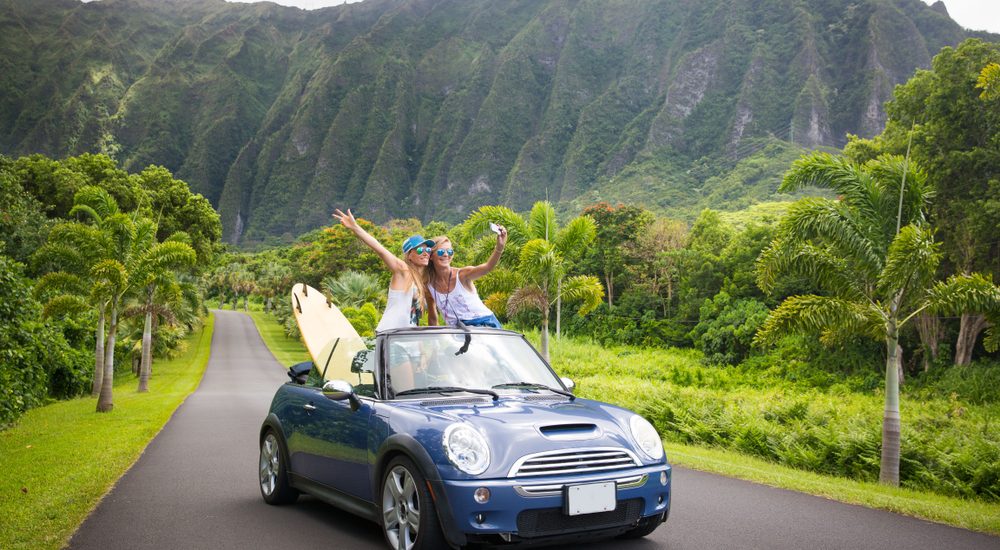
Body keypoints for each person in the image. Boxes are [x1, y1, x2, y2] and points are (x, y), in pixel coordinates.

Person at [332, 208, 432, 332]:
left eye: (427, 250)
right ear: (409, 255)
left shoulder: (419, 281)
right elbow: (380, 249)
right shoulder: (403, 270)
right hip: (390, 335)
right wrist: (355, 227)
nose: (425, 253)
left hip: (406, 338)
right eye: (420, 250)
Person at [426, 225, 507, 328]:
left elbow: (487, 267)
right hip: (457, 331)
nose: (446, 255)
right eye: (441, 251)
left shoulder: (462, 275)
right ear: (431, 256)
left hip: (484, 324)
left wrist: (499, 247)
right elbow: (432, 317)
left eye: (450, 251)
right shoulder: (429, 285)